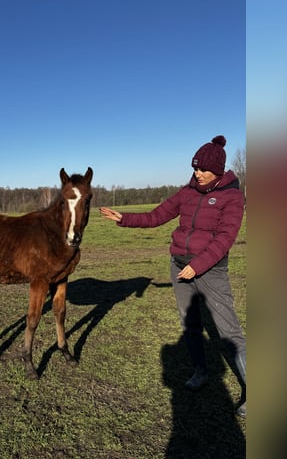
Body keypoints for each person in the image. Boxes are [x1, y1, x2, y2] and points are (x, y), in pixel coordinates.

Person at [99, 135, 247, 416]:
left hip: (211, 270)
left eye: (203, 170)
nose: (197, 174)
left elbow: (225, 238)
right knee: (190, 324)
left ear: (218, 170)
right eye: (195, 168)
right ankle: (200, 372)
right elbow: (157, 215)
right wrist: (124, 219)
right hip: (179, 264)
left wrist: (199, 265)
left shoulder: (232, 196)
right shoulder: (188, 191)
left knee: (229, 331)